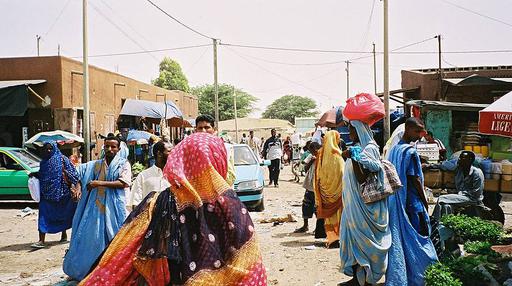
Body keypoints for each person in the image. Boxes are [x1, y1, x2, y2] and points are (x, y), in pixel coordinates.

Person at [80, 133, 267, 285]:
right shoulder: (230, 203)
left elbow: (129, 250)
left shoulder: (161, 200)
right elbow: (249, 261)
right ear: (217, 159)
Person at [63, 136, 132, 281]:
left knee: (115, 238)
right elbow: (79, 174)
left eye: (113, 147)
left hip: (114, 208)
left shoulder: (123, 164)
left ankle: (114, 272)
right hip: (95, 208)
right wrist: (76, 186)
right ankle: (87, 270)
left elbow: (123, 183)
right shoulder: (95, 165)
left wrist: (98, 183)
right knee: (91, 238)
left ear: (118, 149)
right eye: (107, 146)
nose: (109, 149)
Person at [385, 117, 438, 286]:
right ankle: (421, 275)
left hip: (398, 202)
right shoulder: (410, 151)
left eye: (421, 131)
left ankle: (404, 275)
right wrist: (425, 202)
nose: (420, 135)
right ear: (407, 129)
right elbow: (414, 179)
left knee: (403, 238)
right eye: (417, 131)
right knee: (418, 239)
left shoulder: (394, 149)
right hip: (413, 203)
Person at [339, 121, 391, 286]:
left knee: (364, 242)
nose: (350, 133)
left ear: (359, 129)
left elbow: (362, 177)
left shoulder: (368, 149)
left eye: (351, 129)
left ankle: (366, 279)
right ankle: (357, 278)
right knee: (352, 239)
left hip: (365, 207)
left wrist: (353, 157)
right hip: (352, 205)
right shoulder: (356, 147)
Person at [30, 142, 80, 249]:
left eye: (50, 148)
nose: (48, 151)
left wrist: (73, 186)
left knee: (63, 214)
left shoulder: (63, 159)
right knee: (43, 215)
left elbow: (73, 174)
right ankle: (41, 240)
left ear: (55, 148)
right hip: (46, 195)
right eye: (46, 149)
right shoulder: (43, 162)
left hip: (63, 193)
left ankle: (64, 235)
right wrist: (35, 174)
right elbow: (43, 175)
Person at [314, 130, 344, 248]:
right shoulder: (338, 155)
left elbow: (317, 174)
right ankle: (338, 237)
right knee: (338, 215)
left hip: (325, 192)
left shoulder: (320, 154)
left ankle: (331, 238)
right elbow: (342, 172)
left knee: (329, 218)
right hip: (338, 192)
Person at [433, 151, 484, 218]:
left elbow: (476, 193)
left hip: (472, 199)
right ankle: (444, 223)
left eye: (463, 158)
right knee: (446, 206)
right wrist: (429, 165)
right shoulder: (458, 169)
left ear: (470, 160)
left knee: (441, 198)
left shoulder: (477, 173)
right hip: (462, 197)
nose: (459, 159)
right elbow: (443, 165)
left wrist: (460, 193)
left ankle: (433, 220)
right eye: (460, 157)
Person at [127, 141, 172, 211]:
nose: (173, 154)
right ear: (159, 154)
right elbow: (135, 203)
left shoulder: (176, 176)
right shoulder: (143, 176)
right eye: (169, 151)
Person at [195, 114, 236, 186]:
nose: (203, 131)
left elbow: (231, 178)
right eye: (200, 128)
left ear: (214, 129)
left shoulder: (226, 148)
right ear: (196, 130)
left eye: (207, 127)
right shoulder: (190, 150)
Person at [295, 142, 321, 233]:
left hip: (318, 187)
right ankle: (305, 226)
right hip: (309, 185)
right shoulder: (311, 156)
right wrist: (311, 161)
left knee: (317, 208)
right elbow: (305, 169)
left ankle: (318, 227)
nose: (312, 153)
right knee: (306, 205)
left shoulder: (323, 157)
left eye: (313, 151)